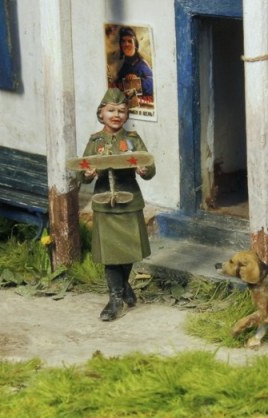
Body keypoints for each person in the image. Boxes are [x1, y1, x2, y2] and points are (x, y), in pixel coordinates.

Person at [80, 88, 155, 321]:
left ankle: (123, 286)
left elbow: (149, 167)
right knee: (111, 253)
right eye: (111, 110)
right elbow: (82, 172)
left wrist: (144, 169)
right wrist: (88, 174)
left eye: (122, 111)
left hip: (129, 200)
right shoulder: (95, 141)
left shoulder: (132, 139)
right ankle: (115, 299)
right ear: (101, 113)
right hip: (105, 202)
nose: (116, 115)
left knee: (128, 249)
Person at [115, 26, 153, 98]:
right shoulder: (123, 65)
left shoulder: (142, 64)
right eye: (123, 41)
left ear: (135, 44)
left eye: (130, 41)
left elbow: (153, 83)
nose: (126, 44)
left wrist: (136, 80)